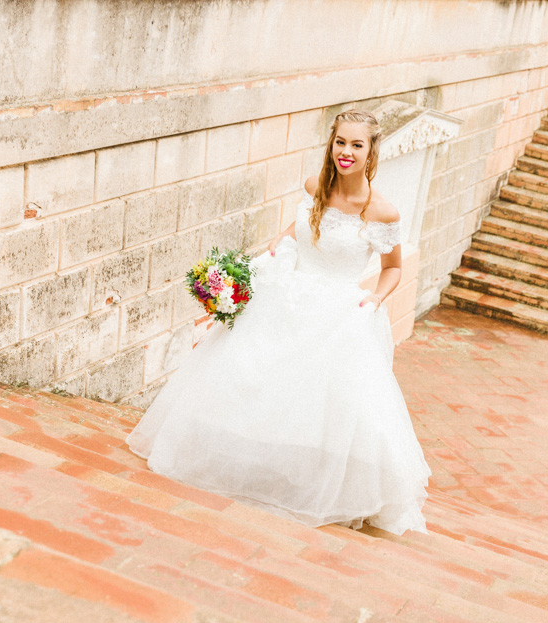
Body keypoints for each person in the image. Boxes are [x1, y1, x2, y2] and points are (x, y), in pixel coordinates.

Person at [126, 109, 431, 535]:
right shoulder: (314, 187)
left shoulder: (382, 212)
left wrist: (376, 299)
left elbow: (393, 268)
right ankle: (247, 466)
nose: (346, 152)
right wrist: (279, 243)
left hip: (338, 313)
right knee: (252, 379)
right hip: (285, 293)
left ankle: (312, 485)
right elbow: (304, 225)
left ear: (371, 151)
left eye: (356, 145)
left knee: (318, 401)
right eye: (340, 142)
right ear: (332, 143)